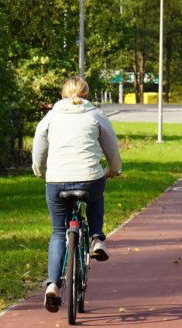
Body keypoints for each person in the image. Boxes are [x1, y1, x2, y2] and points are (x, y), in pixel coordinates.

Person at [32, 76, 122, 312]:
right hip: (89, 178)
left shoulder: (50, 117)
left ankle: (53, 285)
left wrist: (40, 171)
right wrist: (113, 170)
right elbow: (111, 146)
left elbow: (39, 147)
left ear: (62, 95)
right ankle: (96, 239)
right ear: (87, 95)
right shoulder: (95, 115)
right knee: (95, 195)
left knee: (58, 231)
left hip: (57, 181)